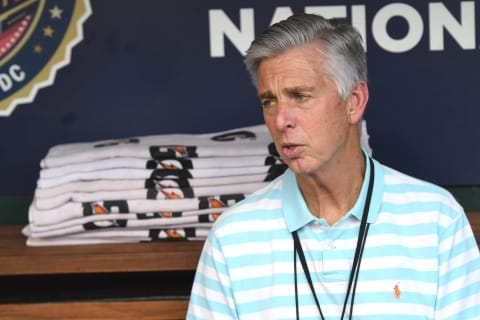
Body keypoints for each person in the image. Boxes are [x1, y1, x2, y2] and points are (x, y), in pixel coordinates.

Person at [186, 13, 480, 319]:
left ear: (353, 102)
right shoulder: (232, 237)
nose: (281, 120)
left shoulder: (437, 221)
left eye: (300, 96)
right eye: (269, 101)